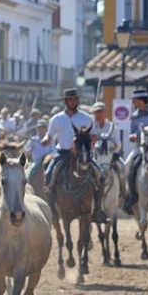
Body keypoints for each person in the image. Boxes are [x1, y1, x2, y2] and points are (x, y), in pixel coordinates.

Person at [42, 88, 103, 218]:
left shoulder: (86, 118)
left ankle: (98, 209)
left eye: (75, 99)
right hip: (63, 154)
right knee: (48, 175)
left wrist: (86, 138)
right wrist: (45, 140)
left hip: (82, 155)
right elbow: (50, 135)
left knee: (99, 175)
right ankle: (52, 208)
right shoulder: (56, 118)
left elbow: (95, 136)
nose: (73, 101)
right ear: (66, 101)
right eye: (70, 99)